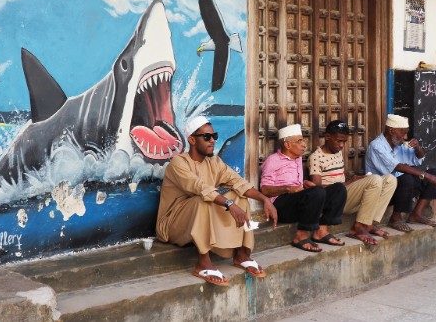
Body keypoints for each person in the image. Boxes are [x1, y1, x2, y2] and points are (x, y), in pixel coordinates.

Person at [156, 115, 278, 287]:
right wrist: (229, 205)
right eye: (207, 137)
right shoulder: (178, 163)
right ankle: (203, 264)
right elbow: (200, 188)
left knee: (240, 196)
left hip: (199, 217)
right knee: (203, 200)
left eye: (214, 136)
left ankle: (242, 254)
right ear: (192, 140)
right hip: (171, 224)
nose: (212, 140)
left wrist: (265, 199)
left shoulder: (214, 161)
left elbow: (238, 182)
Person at [309, 120, 397, 246]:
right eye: (338, 141)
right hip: (335, 202)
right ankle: (358, 227)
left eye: (344, 142)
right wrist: (350, 182)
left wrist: (355, 178)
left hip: (346, 194)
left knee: (390, 180)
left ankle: (369, 223)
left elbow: (339, 175)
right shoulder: (316, 157)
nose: (341, 145)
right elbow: (317, 190)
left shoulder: (337, 153)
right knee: (375, 180)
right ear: (327, 137)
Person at [260, 124, 338, 252]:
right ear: (287, 145)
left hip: (297, 201)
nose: (304, 145)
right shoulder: (272, 160)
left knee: (338, 189)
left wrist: (305, 183)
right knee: (317, 192)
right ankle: (300, 236)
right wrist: (287, 188)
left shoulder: (298, 159)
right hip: (281, 206)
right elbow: (264, 190)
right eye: (299, 141)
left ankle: (321, 231)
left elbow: (297, 184)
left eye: (303, 140)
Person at [365, 114, 436, 233]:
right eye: (403, 132)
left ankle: (416, 214)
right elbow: (398, 167)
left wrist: (418, 147)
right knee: (407, 177)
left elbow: (420, 157)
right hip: (384, 190)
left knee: (434, 173)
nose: (405, 136)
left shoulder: (400, 144)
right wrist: (427, 176)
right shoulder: (377, 146)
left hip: (403, 189)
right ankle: (396, 218)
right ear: (391, 130)